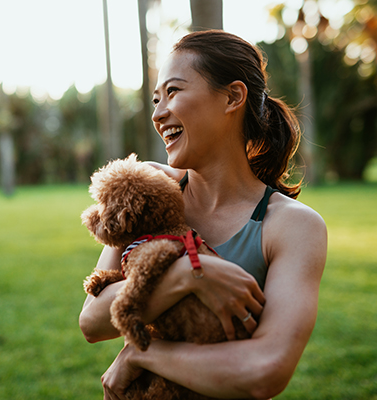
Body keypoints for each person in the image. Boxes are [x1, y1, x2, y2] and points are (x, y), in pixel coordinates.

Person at [79, 30, 327, 400]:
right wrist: (190, 273)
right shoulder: (149, 189)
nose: (158, 113)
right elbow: (93, 321)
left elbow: (265, 370)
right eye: (155, 98)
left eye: (174, 92)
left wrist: (143, 354)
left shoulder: (292, 226)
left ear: (232, 97)